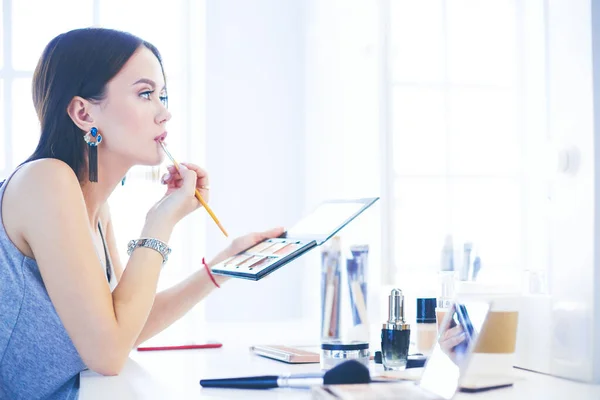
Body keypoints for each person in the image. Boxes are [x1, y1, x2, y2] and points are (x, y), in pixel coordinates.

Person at [0, 27, 283, 399]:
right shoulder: (46, 180)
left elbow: (124, 325)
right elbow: (108, 353)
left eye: (162, 95)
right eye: (145, 93)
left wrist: (223, 266)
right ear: (83, 112)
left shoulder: (96, 208)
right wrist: (160, 219)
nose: (165, 113)